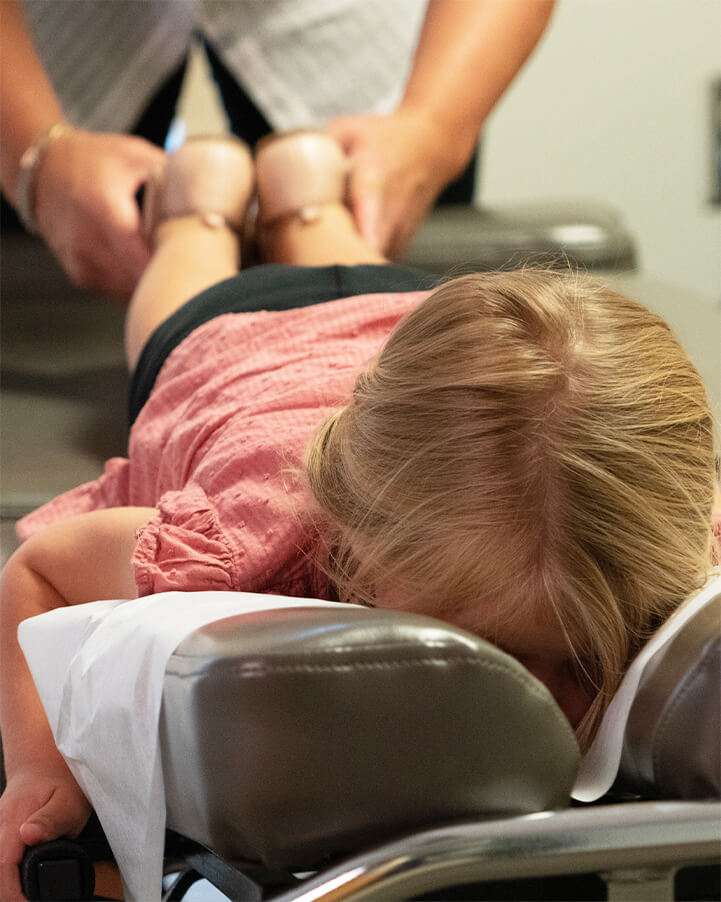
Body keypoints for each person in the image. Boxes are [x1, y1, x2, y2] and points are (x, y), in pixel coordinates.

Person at [0, 132, 717, 900]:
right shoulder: (247, 552)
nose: (547, 706)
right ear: (360, 557)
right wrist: (43, 767)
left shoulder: (669, 542)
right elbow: (39, 573)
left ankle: (306, 193)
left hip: (409, 312)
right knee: (184, 261)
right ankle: (201, 203)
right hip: (237, 340)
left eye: (584, 659)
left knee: (324, 223)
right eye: (489, 653)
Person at [0, 0, 556, 295]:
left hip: (354, 38)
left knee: (347, 262)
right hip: (52, 39)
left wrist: (433, 126)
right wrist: (34, 154)